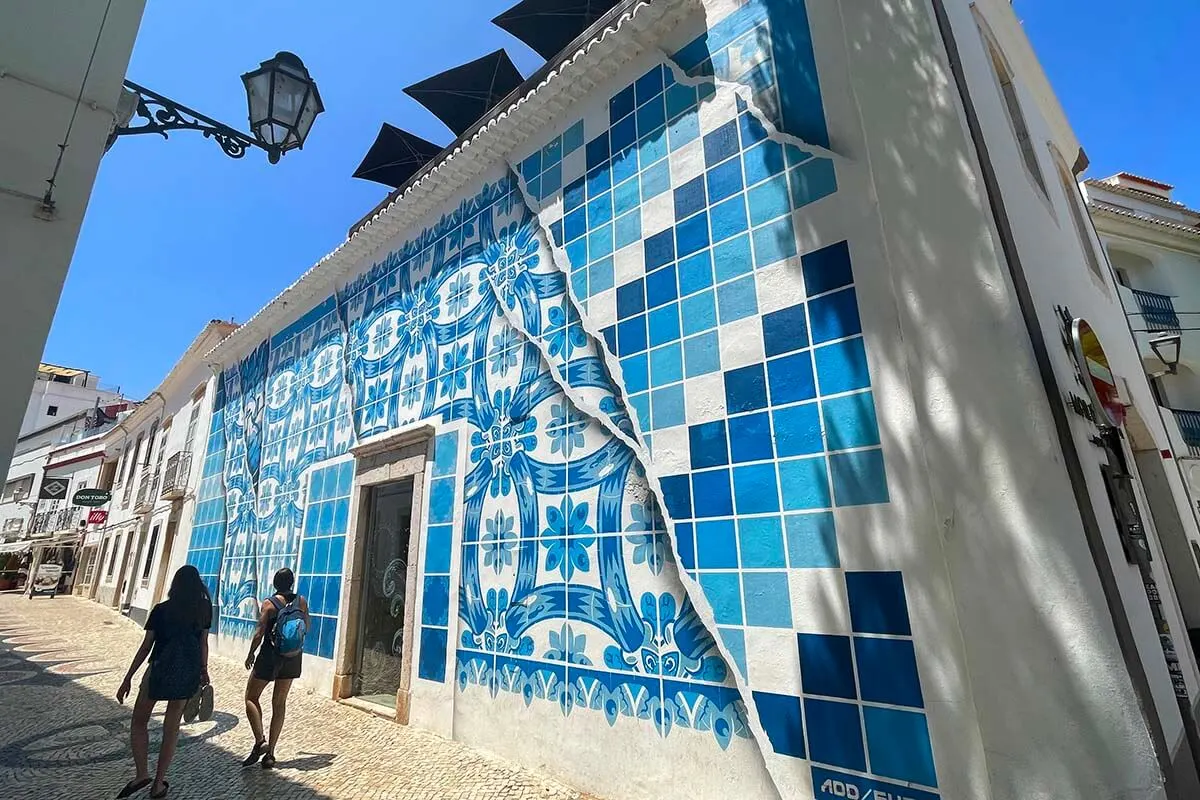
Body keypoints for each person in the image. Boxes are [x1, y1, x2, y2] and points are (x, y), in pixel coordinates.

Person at [116, 565, 212, 799]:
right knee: (171, 729)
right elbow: (203, 644)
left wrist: (128, 677)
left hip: (158, 670)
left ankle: (141, 774)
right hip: (186, 672)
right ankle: (158, 783)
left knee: (139, 721)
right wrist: (203, 670)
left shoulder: (161, 610)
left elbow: (146, 645)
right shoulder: (203, 610)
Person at [243, 567, 309, 769]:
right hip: (292, 656)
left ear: (275, 583)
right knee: (279, 703)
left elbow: (259, 633)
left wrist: (250, 654)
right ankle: (271, 753)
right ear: (291, 582)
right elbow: (307, 625)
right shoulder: (302, 601)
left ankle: (260, 740)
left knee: (251, 696)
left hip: (270, 656)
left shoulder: (269, 604)